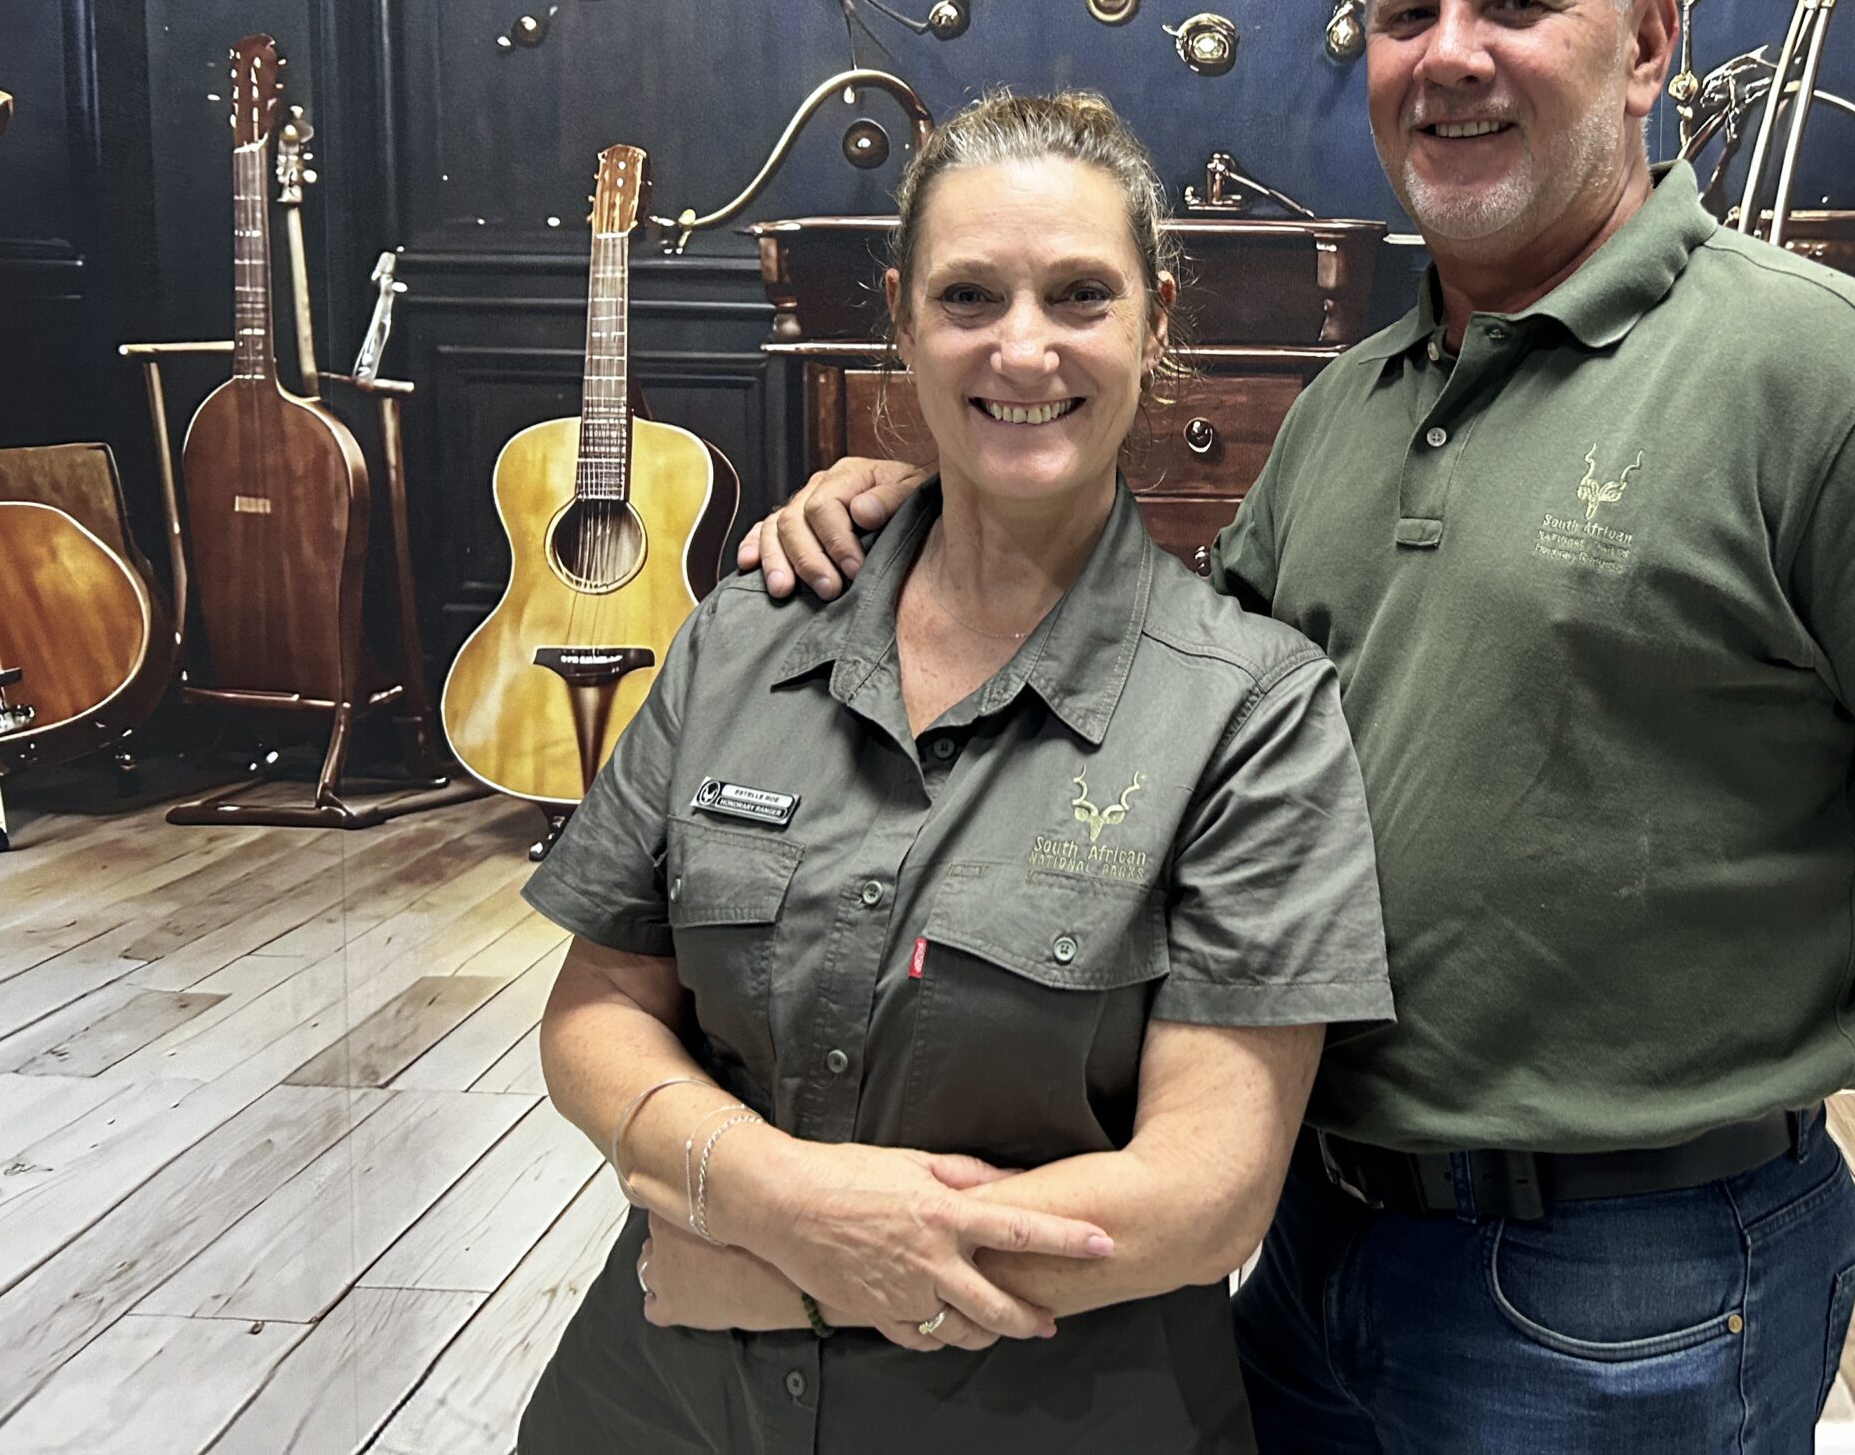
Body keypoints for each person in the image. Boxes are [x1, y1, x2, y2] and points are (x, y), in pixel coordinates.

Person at [742, 0, 1855, 1453]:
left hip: (1632, 1285)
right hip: (1308, 1235)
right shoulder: (1352, 404)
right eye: (1406, 12)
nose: (1450, 55)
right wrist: (935, 519)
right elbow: (1170, 711)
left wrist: (1790, 1028)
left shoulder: (1840, 381)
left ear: (1647, 41)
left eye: (1514, 3)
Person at [518, 88, 1392, 1454]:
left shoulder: (1249, 711)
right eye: (969, 295)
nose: (1022, 347)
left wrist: (792, 1286)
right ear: (901, 319)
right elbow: (596, 1012)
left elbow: (1207, 1192)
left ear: (1155, 322)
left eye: (1081, 295)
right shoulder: (748, 632)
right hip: (661, 1404)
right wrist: (779, 1204)